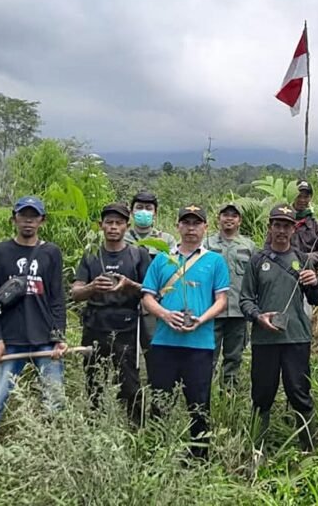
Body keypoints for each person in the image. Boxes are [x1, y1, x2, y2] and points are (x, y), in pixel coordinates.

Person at [0, 197, 67, 446]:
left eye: (33, 216)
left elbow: (57, 298)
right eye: (23, 216)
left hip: (45, 339)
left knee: (54, 402)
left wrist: (59, 338)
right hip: (10, 340)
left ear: (42, 221)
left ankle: (53, 452)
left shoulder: (51, 252)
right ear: (14, 219)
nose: (28, 221)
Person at [141, 204, 229, 457]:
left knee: (199, 405)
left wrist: (201, 319)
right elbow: (147, 297)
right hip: (164, 343)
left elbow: (221, 300)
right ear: (178, 226)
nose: (191, 228)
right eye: (186, 223)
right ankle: (157, 454)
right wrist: (165, 314)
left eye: (197, 223)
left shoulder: (214, 261)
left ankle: (199, 458)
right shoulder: (162, 259)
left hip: (199, 344)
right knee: (160, 402)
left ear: (205, 227)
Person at [240, 204, 318, 451]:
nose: (281, 231)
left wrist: (315, 283)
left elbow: (315, 299)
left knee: (299, 393)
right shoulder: (257, 260)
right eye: (277, 225)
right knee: (262, 396)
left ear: (293, 230)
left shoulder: (301, 259)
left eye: (286, 226)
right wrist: (258, 316)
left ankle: (308, 450)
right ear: (270, 227)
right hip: (264, 340)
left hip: (297, 337)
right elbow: (245, 299)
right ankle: (257, 451)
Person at [71, 204, 150, 422]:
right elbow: (76, 292)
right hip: (95, 326)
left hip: (127, 327)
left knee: (130, 385)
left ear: (127, 226)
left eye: (119, 223)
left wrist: (129, 285)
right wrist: (92, 287)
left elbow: (150, 291)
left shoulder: (138, 255)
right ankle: (95, 431)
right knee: (93, 383)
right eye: (109, 222)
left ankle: (137, 432)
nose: (113, 227)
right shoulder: (91, 255)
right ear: (101, 225)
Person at [203, 202, 257, 388]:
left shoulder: (248, 246)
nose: (229, 218)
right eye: (225, 215)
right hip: (211, 310)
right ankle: (203, 396)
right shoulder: (207, 244)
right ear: (218, 219)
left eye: (233, 215)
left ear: (239, 220)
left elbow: (254, 278)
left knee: (234, 358)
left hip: (238, 311)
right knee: (208, 355)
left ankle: (229, 396)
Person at [124, 190, 178, 349]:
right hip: (125, 300)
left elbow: (173, 270)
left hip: (156, 300)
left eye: (148, 208)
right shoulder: (122, 237)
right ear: (132, 211)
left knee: (154, 346)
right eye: (139, 207)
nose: (143, 212)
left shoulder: (166, 240)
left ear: (155, 213)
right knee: (126, 348)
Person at [265, 180, 318, 274]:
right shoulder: (281, 219)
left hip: (307, 272)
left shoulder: (316, 225)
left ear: (310, 198)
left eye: (306, 197)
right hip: (281, 269)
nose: (302, 200)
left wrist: (304, 258)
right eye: (299, 196)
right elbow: (267, 247)